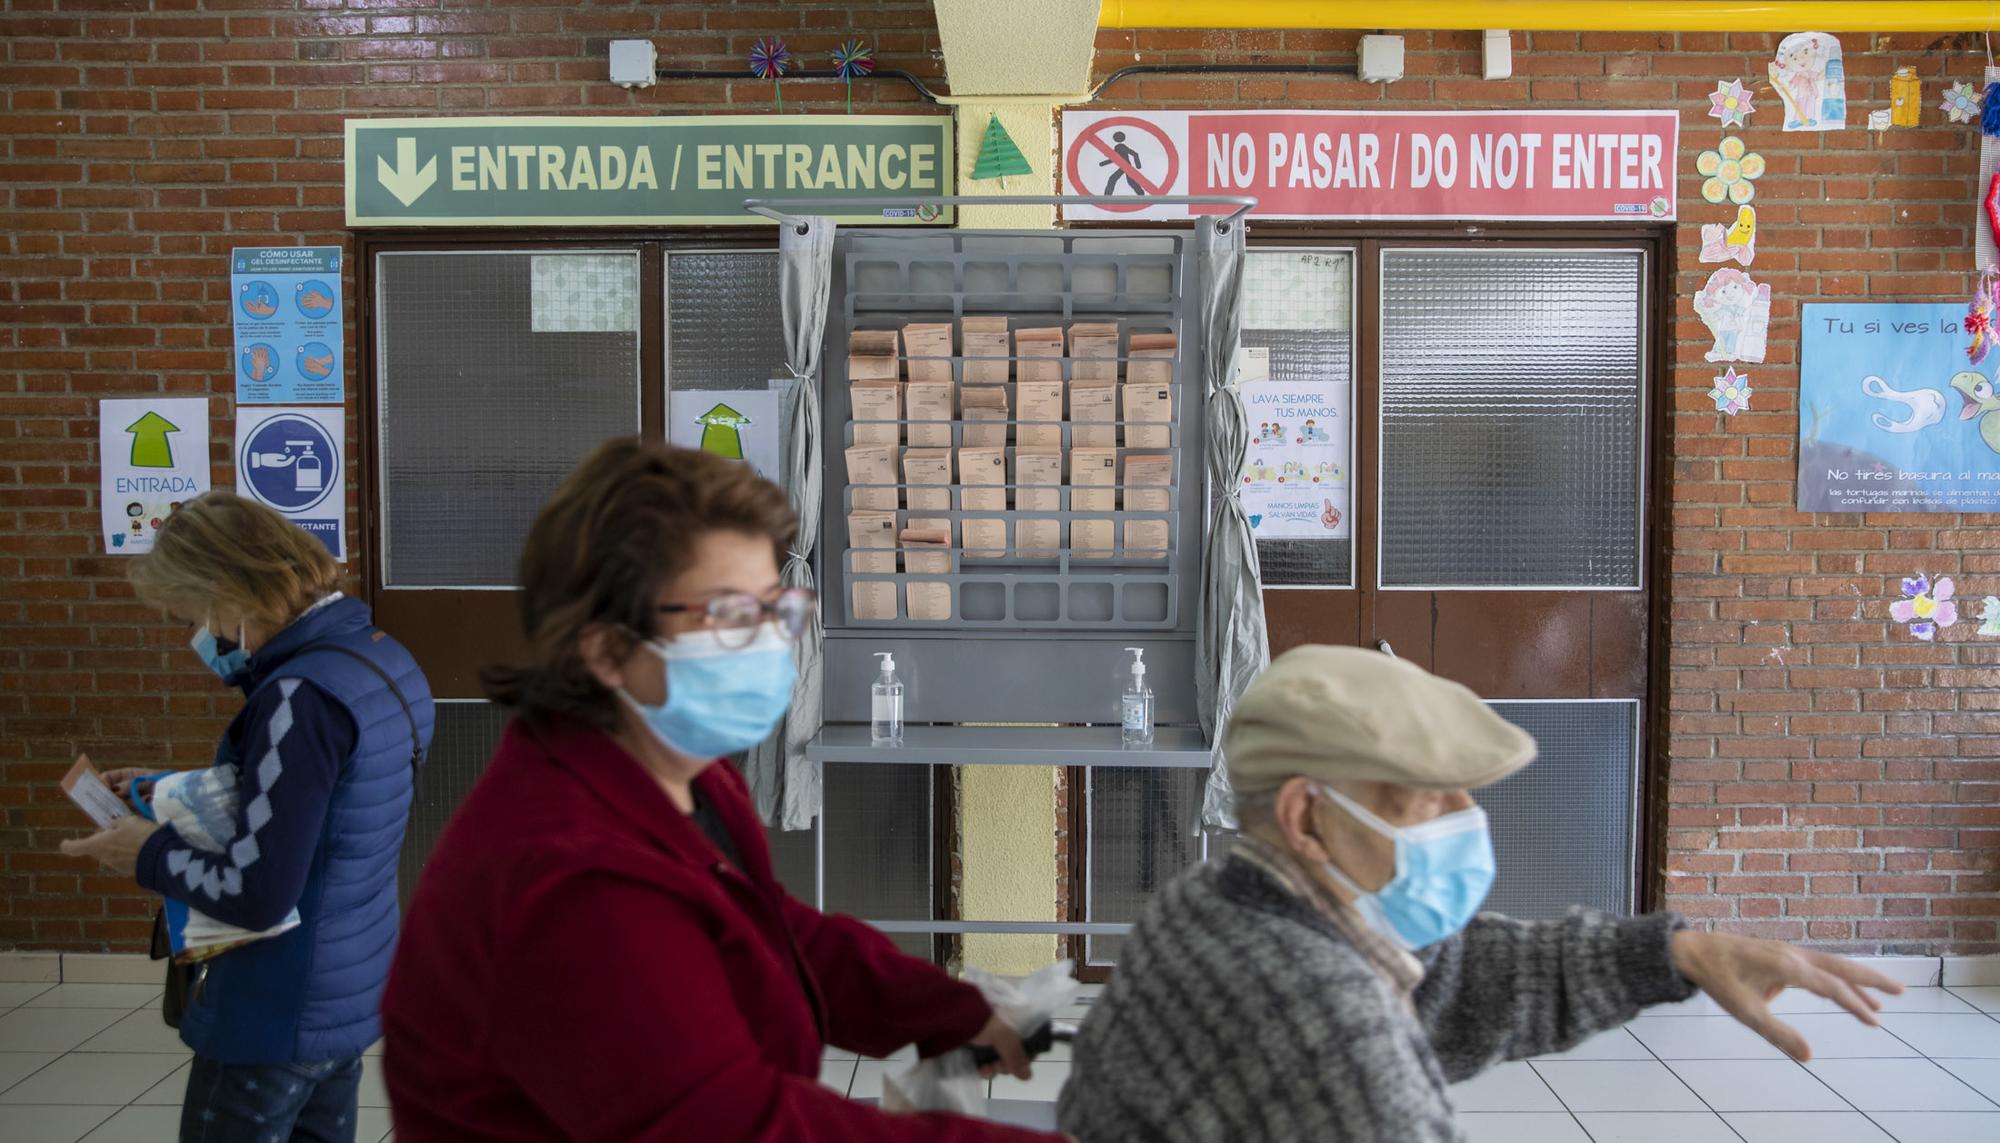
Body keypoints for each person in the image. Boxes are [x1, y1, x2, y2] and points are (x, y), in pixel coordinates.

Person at [381, 439, 1065, 1142]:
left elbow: (772, 932)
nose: (773, 642)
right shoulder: (574, 879)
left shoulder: (681, 774)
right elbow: (740, 1127)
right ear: (609, 649)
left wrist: (949, 1006)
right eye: (734, 616)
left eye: (777, 608)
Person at [1057, 645, 1903, 1143]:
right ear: (1304, 812)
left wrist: (1673, 952)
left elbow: (1459, 974)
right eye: (1426, 794)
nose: (1466, 818)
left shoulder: (1222, 900)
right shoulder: (1320, 1014)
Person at [60, 491, 434, 1143]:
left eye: (195, 612)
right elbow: (324, 806)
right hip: (346, 988)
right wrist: (168, 789)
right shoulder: (378, 657)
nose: (198, 635)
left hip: (274, 1005)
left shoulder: (298, 698)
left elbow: (258, 892)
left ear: (231, 591)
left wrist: (143, 852)